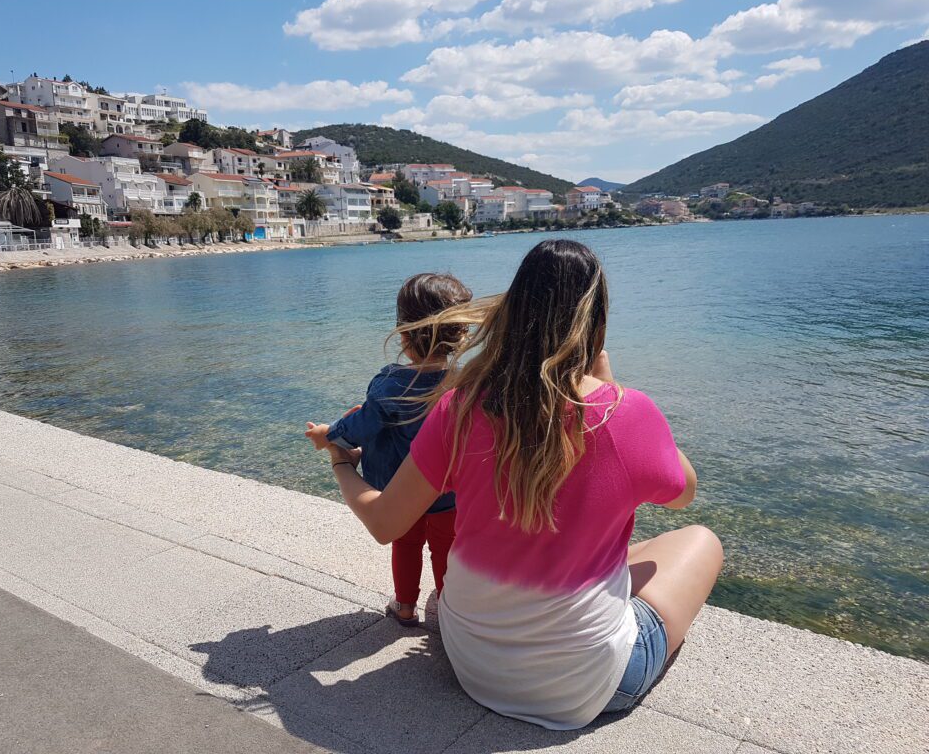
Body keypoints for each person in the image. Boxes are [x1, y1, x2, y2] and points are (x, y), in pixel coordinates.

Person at [322, 240, 723, 729]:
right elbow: (684, 492)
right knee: (700, 541)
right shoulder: (623, 411)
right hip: (584, 687)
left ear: (513, 311)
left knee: (603, 555)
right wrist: (614, 388)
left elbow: (385, 523)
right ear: (596, 322)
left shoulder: (460, 406)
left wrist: (342, 463)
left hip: (468, 660)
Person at [306, 272, 473, 626]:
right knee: (445, 550)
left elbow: (360, 425)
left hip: (401, 492)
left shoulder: (392, 384)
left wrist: (328, 434)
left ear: (404, 335)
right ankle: (449, 613)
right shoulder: (464, 384)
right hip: (448, 495)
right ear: (459, 335)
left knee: (406, 546)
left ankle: (405, 607)